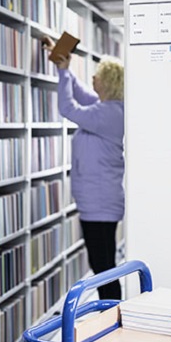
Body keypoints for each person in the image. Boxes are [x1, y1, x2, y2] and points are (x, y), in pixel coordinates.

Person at [44, 36, 125, 300]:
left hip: (100, 205)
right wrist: (63, 66)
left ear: (109, 82)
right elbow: (80, 93)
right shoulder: (107, 107)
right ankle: (112, 315)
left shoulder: (110, 113)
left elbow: (68, 107)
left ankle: (113, 317)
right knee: (102, 265)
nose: (93, 80)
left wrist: (65, 71)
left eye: (98, 76)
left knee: (103, 267)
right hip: (97, 202)